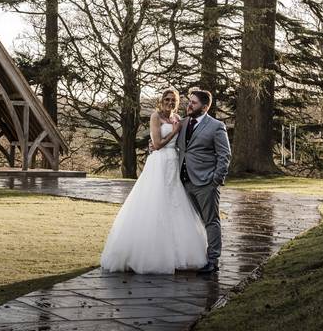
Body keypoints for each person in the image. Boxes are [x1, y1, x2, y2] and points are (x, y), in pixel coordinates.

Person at [99, 88, 208, 274]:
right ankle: (148, 254)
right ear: (161, 100)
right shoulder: (156, 117)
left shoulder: (178, 118)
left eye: (173, 100)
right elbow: (156, 145)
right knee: (155, 202)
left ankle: (177, 253)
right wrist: (174, 132)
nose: (169, 102)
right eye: (167, 99)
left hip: (173, 163)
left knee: (174, 203)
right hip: (159, 163)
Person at [176, 88, 231, 273]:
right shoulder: (182, 123)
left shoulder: (216, 126)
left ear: (205, 107)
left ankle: (213, 260)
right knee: (191, 221)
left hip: (206, 182)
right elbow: (171, 145)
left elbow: (225, 155)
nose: (189, 105)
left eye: (194, 103)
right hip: (184, 181)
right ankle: (194, 256)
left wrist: (216, 179)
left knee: (211, 221)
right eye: (189, 101)